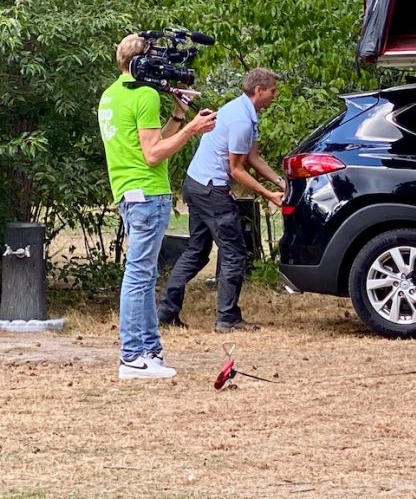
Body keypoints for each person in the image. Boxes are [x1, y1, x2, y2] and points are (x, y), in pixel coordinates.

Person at [98, 33, 218, 380]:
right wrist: (194, 129)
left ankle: (148, 351)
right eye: (155, 58)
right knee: (139, 274)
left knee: (145, 273)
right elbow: (153, 155)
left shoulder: (112, 95)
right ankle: (133, 355)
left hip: (128, 192)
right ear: (140, 63)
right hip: (147, 193)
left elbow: (149, 142)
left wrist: (180, 114)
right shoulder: (146, 95)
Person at [158, 68, 285, 333]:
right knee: (234, 253)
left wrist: (280, 183)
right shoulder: (240, 120)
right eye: (273, 91)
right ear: (259, 91)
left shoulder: (241, 111)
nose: (275, 96)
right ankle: (228, 318)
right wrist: (268, 195)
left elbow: (253, 158)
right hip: (211, 189)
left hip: (196, 183)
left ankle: (166, 312)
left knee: (197, 251)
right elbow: (236, 170)